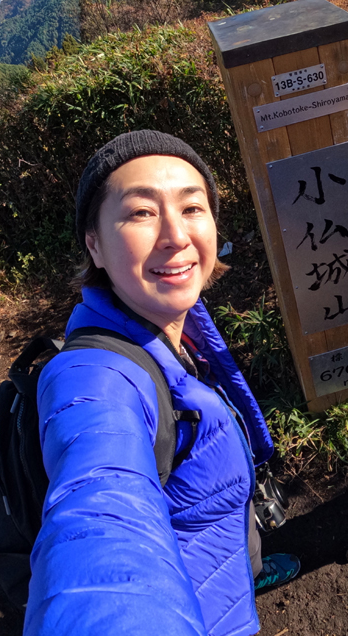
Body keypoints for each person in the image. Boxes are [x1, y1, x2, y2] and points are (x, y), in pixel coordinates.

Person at [24, 130, 300, 636]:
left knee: (238, 539)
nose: (175, 234)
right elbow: (101, 518)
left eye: (193, 207)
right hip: (204, 615)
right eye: (141, 212)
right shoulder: (94, 380)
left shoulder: (173, 319)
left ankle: (251, 571)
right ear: (95, 245)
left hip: (217, 544)